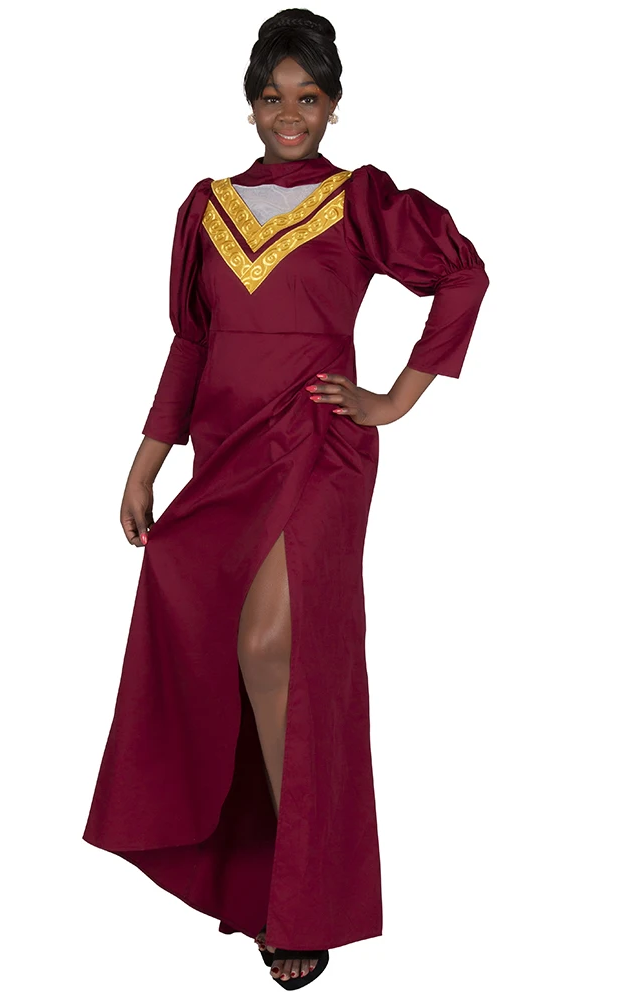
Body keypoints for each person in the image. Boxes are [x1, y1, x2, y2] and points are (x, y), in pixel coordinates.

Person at [82, 7, 490, 988]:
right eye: (273, 97)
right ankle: (267, 865)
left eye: (309, 98)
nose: (290, 114)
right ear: (250, 104)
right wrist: (146, 460)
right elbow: (192, 340)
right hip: (224, 454)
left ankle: (304, 892)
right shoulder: (207, 206)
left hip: (316, 445)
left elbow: (462, 275)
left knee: (276, 646)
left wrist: (392, 399)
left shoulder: (360, 200)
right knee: (213, 640)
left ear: (335, 105)